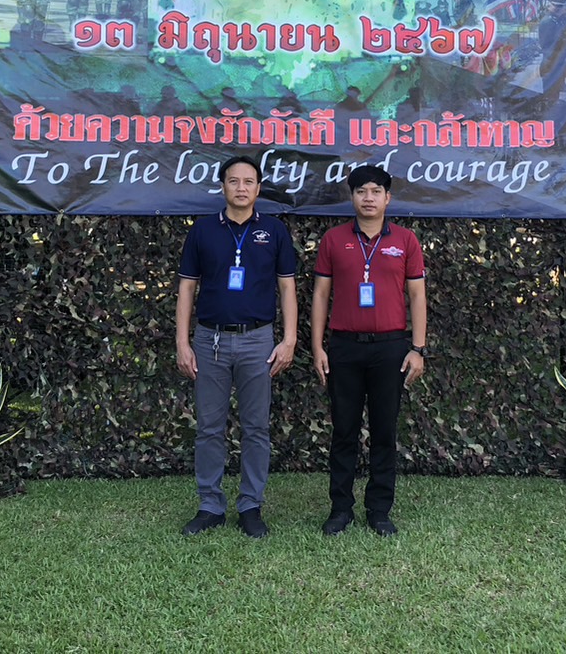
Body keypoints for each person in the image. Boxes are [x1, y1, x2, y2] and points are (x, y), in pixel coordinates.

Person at [175, 155, 299, 539]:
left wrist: (289, 339)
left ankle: (250, 505)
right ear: (223, 186)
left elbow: (287, 287)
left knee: (256, 428)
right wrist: (182, 342)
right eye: (233, 181)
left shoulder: (274, 231)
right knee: (209, 428)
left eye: (248, 181)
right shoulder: (202, 230)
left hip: (258, 340)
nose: (241, 188)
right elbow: (187, 288)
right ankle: (210, 505)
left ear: (258, 188)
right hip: (209, 339)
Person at [311, 164, 427, 537]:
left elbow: (417, 295)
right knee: (344, 430)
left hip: (390, 348)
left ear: (387, 198)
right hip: (344, 347)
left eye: (376, 191)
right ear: (352, 197)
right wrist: (317, 346)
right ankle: (340, 508)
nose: (368, 198)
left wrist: (418, 348)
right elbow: (321, 295)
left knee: (383, 431)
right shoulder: (333, 239)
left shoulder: (406, 241)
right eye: (361, 191)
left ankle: (379, 509)